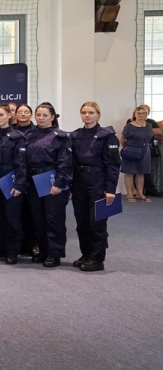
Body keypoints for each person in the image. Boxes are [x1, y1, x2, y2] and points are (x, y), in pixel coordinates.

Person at [70, 102, 121, 272]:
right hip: (79, 183)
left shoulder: (107, 136)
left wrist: (110, 189)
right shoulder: (76, 135)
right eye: (84, 112)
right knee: (81, 222)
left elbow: (113, 165)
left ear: (98, 114)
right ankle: (86, 254)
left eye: (91, 112)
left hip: (98, 182)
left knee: (97, 222)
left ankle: (97, 258)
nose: (87, 115)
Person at [24, 102, 72, 267]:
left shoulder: (60, 136)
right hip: (33, 180)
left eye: (45, 115)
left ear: (52, 117)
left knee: (54, 218)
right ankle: (43, 251)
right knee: (38, 218)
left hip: (51, 178)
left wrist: (59, 183)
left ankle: (54, 253)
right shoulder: (29, 135)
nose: (41, 118)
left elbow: (65, 162)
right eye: (38, 115)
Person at [0, 104, 28, 264]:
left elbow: (21, 163)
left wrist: (19, 184)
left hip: (10, 180)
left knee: (12, 218)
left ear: (9, 116)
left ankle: (13, 251)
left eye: (1, 115)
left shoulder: (17, 137)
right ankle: (1, 247)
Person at [121, 105, 155, 201]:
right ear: (135, 114)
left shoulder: (149, 125)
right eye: (138, 113)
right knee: (129, 172)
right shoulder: (129, 126)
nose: (141, 115)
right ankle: (129, 194)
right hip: (131, 151)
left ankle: (140, 194)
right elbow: (122, 140)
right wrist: (127, 149)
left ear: (146, 114)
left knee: (141, 173)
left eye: (143, 113)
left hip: (145, 151)